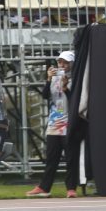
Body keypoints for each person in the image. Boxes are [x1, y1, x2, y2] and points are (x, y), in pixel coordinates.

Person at [27, 51, 79, 198]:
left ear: (72, 64)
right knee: (51, 157)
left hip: (70, 122)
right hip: (54, 122)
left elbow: (75, 101)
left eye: (65, 63)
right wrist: (49, 79)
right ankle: (44, 187)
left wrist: (66, 88)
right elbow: (44, 96)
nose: (62, 65)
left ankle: (71, 188)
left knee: (71, 157)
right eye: (60, 62)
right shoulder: (55, 78)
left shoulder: (76, 79)